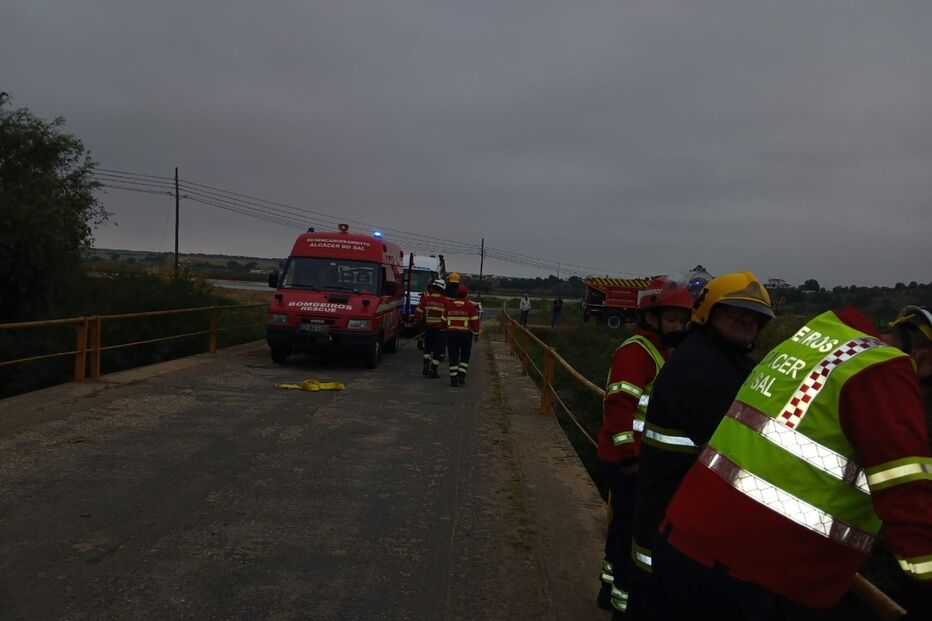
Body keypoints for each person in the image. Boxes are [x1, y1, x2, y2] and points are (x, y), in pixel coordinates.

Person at [653, 305, 932, 620]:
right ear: (922, 360)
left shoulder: (823, 338)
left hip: (684, 540)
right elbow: (910, 506)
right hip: (751, 581)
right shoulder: (886, 372)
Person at [627, 271, 774, 619]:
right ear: (708, 312)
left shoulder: (723, 360)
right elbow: (744, 450)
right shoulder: (700, 368)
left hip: (678, 517)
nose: (746, 320)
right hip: (673, 522)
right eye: (735, 311)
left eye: (755, 316)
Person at [595, 276, 693, 617]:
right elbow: (619, 409)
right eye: (671, 319)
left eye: (682, 320)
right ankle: (623, 604)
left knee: (621, 525)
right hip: (627, 458)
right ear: (651, 317)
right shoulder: (637, 351)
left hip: (632, 457)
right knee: (631, 535)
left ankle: (609, 589)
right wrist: (631, 457)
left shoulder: (659, 351)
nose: (678, 326)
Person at [445, 284, 481, 387]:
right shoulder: (470, 306)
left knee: (453, 356)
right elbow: (475, 321)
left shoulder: (449, 304)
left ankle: (453, 378)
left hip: (451, 334)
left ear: (456, 293)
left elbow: (443, 319)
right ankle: (461, 376)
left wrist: (443, 329)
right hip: (465, 335)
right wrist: (476, 334)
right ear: (466, 294)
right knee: (465, 356)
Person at [414, 279, 447, 378]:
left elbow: (418, 312)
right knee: (437, 350)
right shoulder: (445, 301)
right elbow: (447, 316)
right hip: (440, 330)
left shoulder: (426, 299)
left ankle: (425, 366)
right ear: (442, 289)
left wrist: (417, 320)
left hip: (428, 328)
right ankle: (433, 370)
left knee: (427, 348)